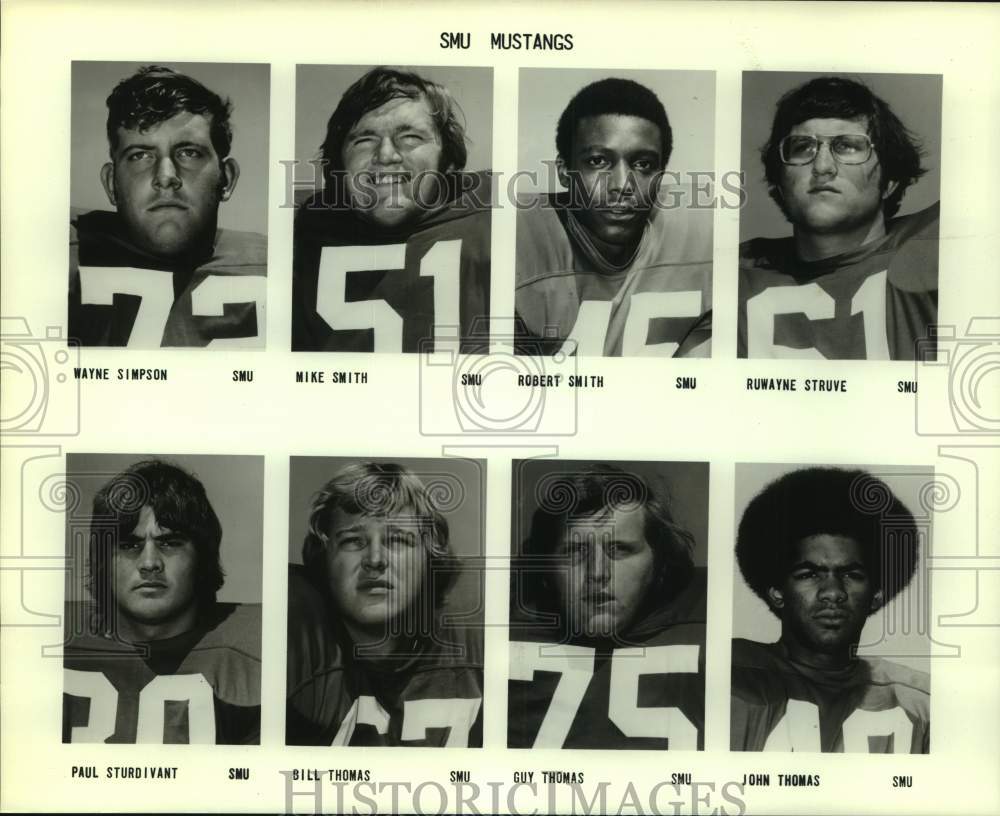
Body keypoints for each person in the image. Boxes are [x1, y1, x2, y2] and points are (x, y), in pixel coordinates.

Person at [292, 67, 491, 353]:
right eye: (364, 140)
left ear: (447, 159)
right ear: (338, 164)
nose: (386, 155)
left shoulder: (498, 219)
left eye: (410, 137)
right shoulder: (302, 231)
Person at [731, 467, 930, 753]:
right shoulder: (729, 677)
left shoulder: (919, 700)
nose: (833, 592)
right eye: (809, 574)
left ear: (876, 594)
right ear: (776, 592)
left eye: (851, 574)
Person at [738, 76, 939, 359]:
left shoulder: (935, 244)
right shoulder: (734, 270)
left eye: (848, 146)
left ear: (891, 179)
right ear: (780, 181)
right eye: (802, 147)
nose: (822, 166)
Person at [62, 459, 261, 744]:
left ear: (202, 559)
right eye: (129, 545)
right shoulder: (45, 647)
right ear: (101, 560)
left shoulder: (256, 660)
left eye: (169, 543)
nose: (150, 563)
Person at [508, 464, 705, 749]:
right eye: (575, 551)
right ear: (546, 568)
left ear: (660, 564)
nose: (597, 572)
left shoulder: (713, 632)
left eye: (619, 549)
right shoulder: (498, 643)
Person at [286, 462, 483, 746]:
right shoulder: (294, 634)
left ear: (430, 557)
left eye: (398, 540)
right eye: (354, 540)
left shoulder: (474, 633)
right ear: (324, 557)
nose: (375, 559)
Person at [68, 65, 266, 348]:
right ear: (111, 183)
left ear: (227, 178)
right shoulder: (50, 256)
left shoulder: (282, 267)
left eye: (189, 153)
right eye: (139, 155)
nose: (165, 177)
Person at [514, 78, 713, 357]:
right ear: (563, 171)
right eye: (598, 161)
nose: (622, 184)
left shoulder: (702, 238)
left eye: (643, 164)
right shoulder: (517, 237)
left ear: (662, 175)